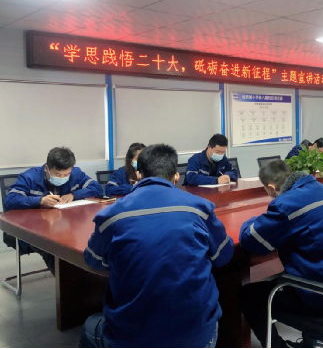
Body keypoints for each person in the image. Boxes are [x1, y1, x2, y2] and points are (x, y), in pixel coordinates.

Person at [80, 144, 233, 349]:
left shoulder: (111, 216)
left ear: (138, 174)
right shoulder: (200, 208)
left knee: (89, 326)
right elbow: (223, 255)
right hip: (198, 336)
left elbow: (94, 261)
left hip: (132, 337)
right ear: (176, 177)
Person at [239, 160, 323, 349]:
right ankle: (308, 342)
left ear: (271, 188)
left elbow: (252, 241)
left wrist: (251, 221)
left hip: (318, 294)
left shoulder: (286, 205)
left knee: (248, 295)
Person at [4, 147, 103, 275]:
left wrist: (74, 195)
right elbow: (10, 200)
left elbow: (97, 188)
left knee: (86, 242)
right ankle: (67, 282)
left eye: (66, 175)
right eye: (57, 174)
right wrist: (39, 201)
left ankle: (85, 278)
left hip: (66, 226)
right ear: (47, 168)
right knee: (52, 248)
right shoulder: (29, 177)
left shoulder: (76, 174)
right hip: (35, 229)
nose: (62, 177)